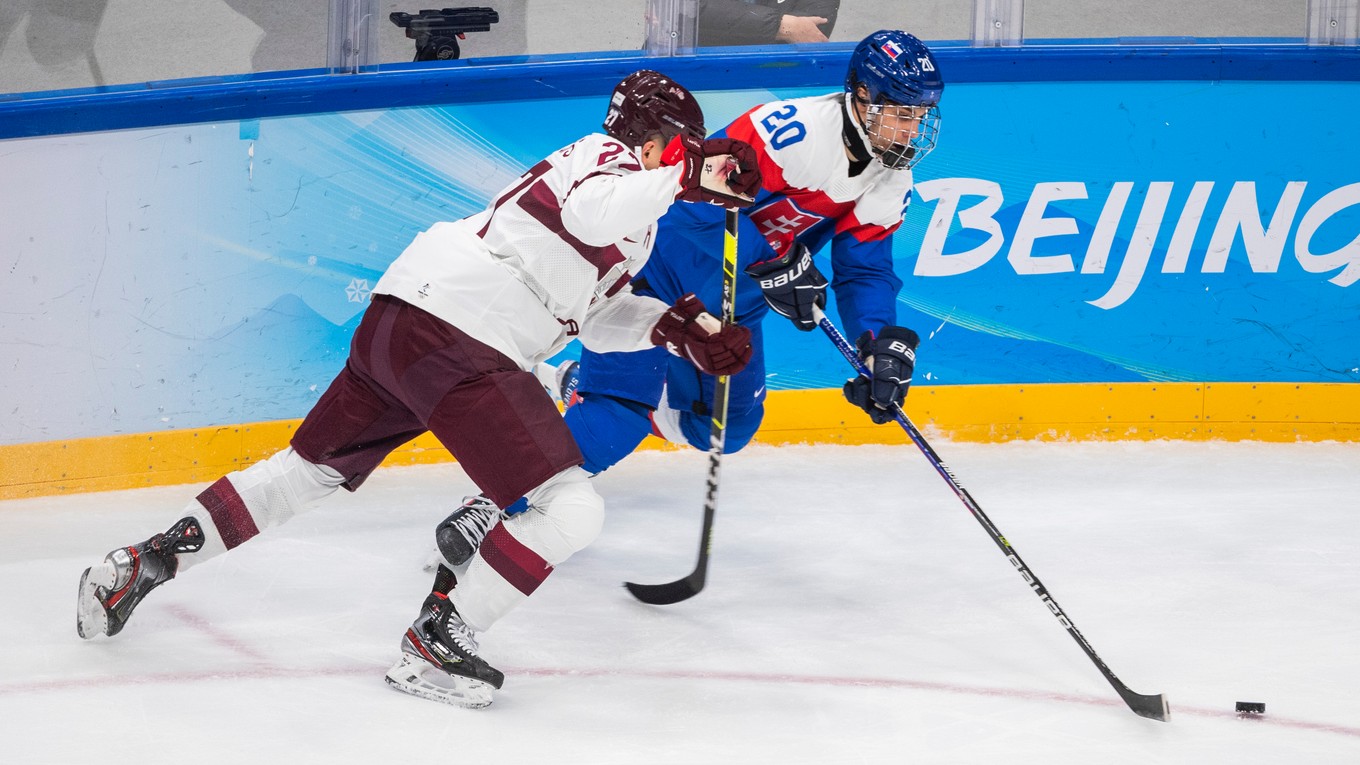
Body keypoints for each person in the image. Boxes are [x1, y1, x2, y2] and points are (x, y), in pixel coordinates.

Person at [75, 69, 762, 710]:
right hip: (465, 336)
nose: (682, 162)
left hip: (407, 317)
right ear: (661, 142)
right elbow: (591, 212)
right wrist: (684, 177)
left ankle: (146, 560)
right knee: (570, 509)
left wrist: (676, 329)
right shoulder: (601, 159)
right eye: (679, 148)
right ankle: (438, 639)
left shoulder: (631, 213)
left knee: (306, 470)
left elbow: (594, 311)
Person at [433, 30, 944, 570]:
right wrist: (771, 259)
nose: (911, 129)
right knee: (618, 416)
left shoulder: (893, 175)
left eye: (918, 117)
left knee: (722, 428)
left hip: (735, 301)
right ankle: (490, 505)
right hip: (661, 268)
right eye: (901, 114)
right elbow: (695, 204)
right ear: (862, 96)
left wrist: (876, 344)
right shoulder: (791, 132)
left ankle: (574, 383)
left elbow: (864, 268)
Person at [698, 0, 840, 46]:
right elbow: (685, 11)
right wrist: (779, 25)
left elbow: (809, 31)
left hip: (775, 82)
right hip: (696, 71)